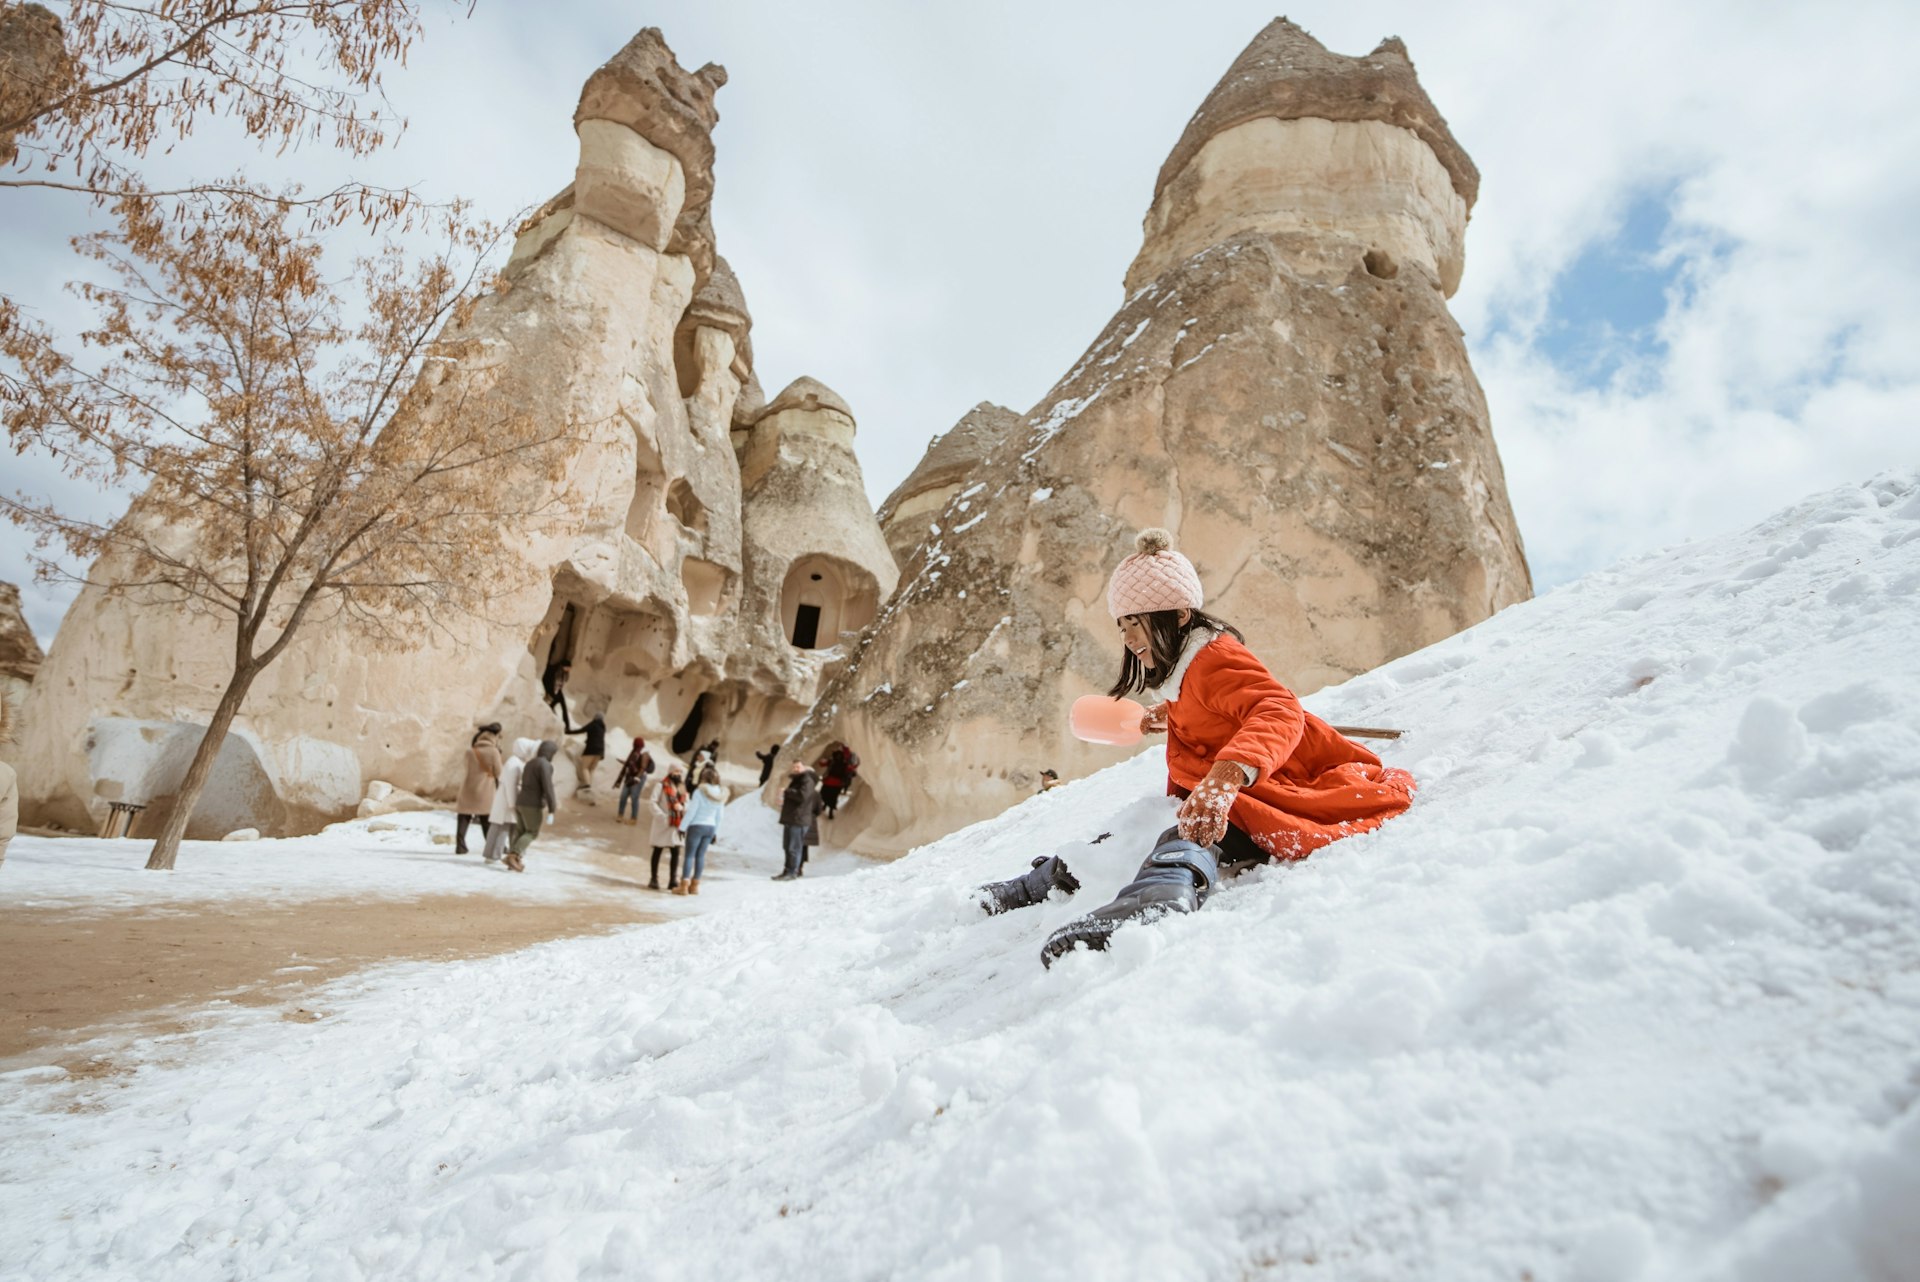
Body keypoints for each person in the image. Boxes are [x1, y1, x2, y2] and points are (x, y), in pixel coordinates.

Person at [977, 528, 1416, 967]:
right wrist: (1167, 716)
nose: (1128, 638)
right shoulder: (1185, 667)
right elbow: (1214, 708)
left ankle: (1160, 898)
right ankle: (1038, 883)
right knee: (1133, 830)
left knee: (1187, 833)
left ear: (1180, 615)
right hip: (1228, 788)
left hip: (1282, 786)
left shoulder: (1215, 658)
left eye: (1137, 622)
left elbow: (1279, 709)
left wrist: (1227, 776)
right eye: (1123, 626)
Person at [506, 740, 560, 873]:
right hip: (532, 804)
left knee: (520, 830)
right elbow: (548, 787)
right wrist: (552, 808)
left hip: (521, 801)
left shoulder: (530, 763)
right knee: (532, 832)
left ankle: (513, 861)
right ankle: (513, 856)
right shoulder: (545, 765)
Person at [484, 737, 539, 863]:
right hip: (507, 802)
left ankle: (512, 855)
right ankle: (492, 855)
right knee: (500, 829)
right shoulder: (513, 763)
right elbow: (510, 785)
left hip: (509, 801)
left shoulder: (518, 762)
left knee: (511, 829)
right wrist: (513, 803)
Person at [453, 723, 503, 854]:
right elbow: (499, 773)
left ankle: (460, 846)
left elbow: (466, 767)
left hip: (468, 787)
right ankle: (491, 845)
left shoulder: (470, 751)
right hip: (485, 789)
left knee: (463, 817)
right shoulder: (493, 752)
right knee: (486, 819)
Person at [677, 765, 727, 895]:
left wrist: (682, 827)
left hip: (696, 826)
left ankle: (683, 886)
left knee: (689, 855)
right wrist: (715, 831)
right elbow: (720, 816)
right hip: (710, 828)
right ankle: (695, 886)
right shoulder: (720, 793)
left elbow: (691, 812)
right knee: (700, 856)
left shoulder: (699, 792)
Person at [773, 759, 821, 881]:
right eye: (794, 767)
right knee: (787, 847)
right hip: (791, 818)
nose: (795, 769)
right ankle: (787, 870)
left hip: (799, 820)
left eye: (798, 767)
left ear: (804, 768)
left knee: (794, 848)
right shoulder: (797, 780)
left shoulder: (807, 780)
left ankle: (792, 872)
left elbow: (802, 796)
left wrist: (787, 792)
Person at [646, 767, 687, 891]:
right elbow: (652, 802)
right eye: (675, 771)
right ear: (670, 772)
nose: (678, 774)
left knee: (676, 851)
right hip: (663, 823)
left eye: (680, 772)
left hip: (677, 824)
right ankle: (654, 878)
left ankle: (673, 880)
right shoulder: (661, 785)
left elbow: (687, 802)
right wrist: (662, 817)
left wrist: (683, 807)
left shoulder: (682, 787)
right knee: (657, 850)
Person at [613, 737, 654, 825]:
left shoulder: (644, 754)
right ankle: (620, 815)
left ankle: (633, 818)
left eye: (635, 744)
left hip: (638, 778)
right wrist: (625, 763)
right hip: (630, 776)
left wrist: (637, 778)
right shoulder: (634, 752)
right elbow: (632, 763)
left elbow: (642, 768)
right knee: (623, 795)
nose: (634, 745)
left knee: (634, 797)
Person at [566, 712, 607, 799]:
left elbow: (581, 730)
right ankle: (589, 785)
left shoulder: (593, 724)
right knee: (591, 769)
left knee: (584, 768)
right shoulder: (603, 727)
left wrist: (568, 732)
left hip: (591, 749)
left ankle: (587, 785)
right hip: (600, 751)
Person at [815, 742, 860, 818]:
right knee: (833, 797)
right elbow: (852, 768)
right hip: (837, 784)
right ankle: (830, 812)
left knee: (824, 794)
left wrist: (822, 760)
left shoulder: (831, 762)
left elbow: (822, 764)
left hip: (828, 782)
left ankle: (824, 805)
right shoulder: (845, 764)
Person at [541, 659, 573, 730]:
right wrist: (550, 691)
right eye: (568, 668)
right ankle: (554, 721)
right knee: (552, 705)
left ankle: (566, 726)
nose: (569, 669)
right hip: (552, 689)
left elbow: (564, 681)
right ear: (564, 666)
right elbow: (550, 680)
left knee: (562, 706)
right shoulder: (556, 670)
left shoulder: (564, 672)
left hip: (557, 690)